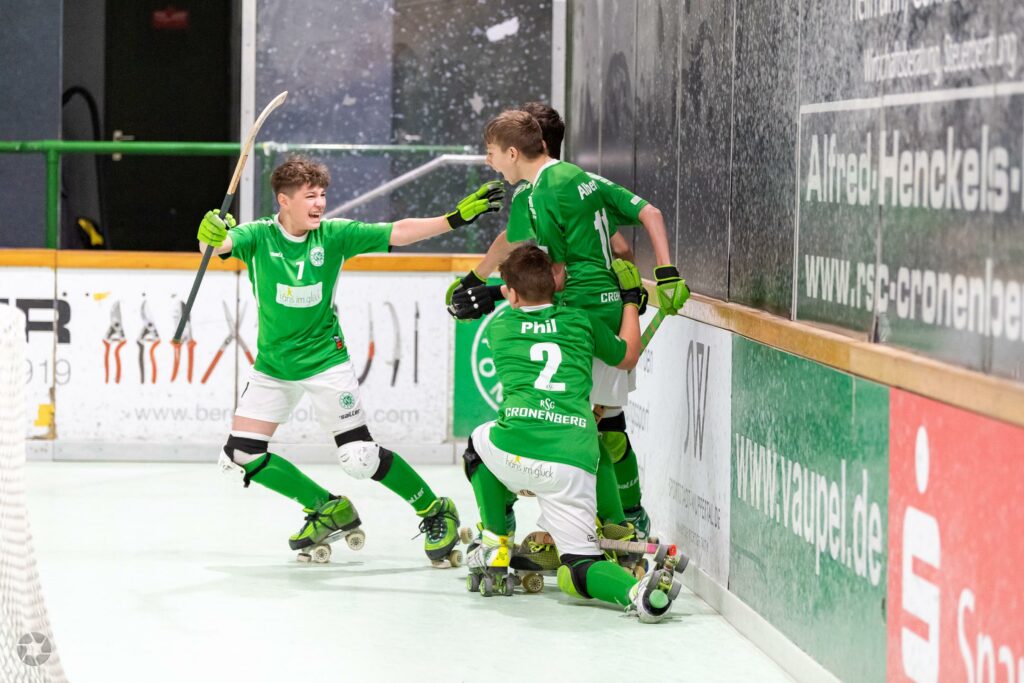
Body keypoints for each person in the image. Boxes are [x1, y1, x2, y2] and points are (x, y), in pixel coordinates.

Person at [196, 156, 503, 565]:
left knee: (359, 457)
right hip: (273, 367)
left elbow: (398, 232)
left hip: (326, 362)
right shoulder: (257, 236)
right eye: (310, 196)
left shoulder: (334, 236)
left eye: (322, 194)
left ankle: (435, 510)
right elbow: (216, 247)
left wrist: (454, 219)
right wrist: (210, 233)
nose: (320, 203)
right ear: (284, 200)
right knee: (240, 455)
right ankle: (326, 508)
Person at [449, 108, 690, 542]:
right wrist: (659, 276)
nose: (488, 161)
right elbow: (638, 227)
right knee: (599, 424)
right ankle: (620, 521)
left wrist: (494, 290)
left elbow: (555, 274)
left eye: (491, 153)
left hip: (580, 308)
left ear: (516, 150)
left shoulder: (539, 194)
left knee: (584, 427)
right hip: (608, 302)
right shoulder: (580, 178)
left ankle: (602, 528)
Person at [459, 244, 681, 622]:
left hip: (515, 448)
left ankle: (496, 540)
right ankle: (638, 592)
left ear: (511, 293)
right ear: (557, 282)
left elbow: (524, 300)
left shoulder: (499, 326)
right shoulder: (581, 321)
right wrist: (629, 301)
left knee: (476, 447)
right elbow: (628, 355)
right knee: (578, 570)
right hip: (572, 462)